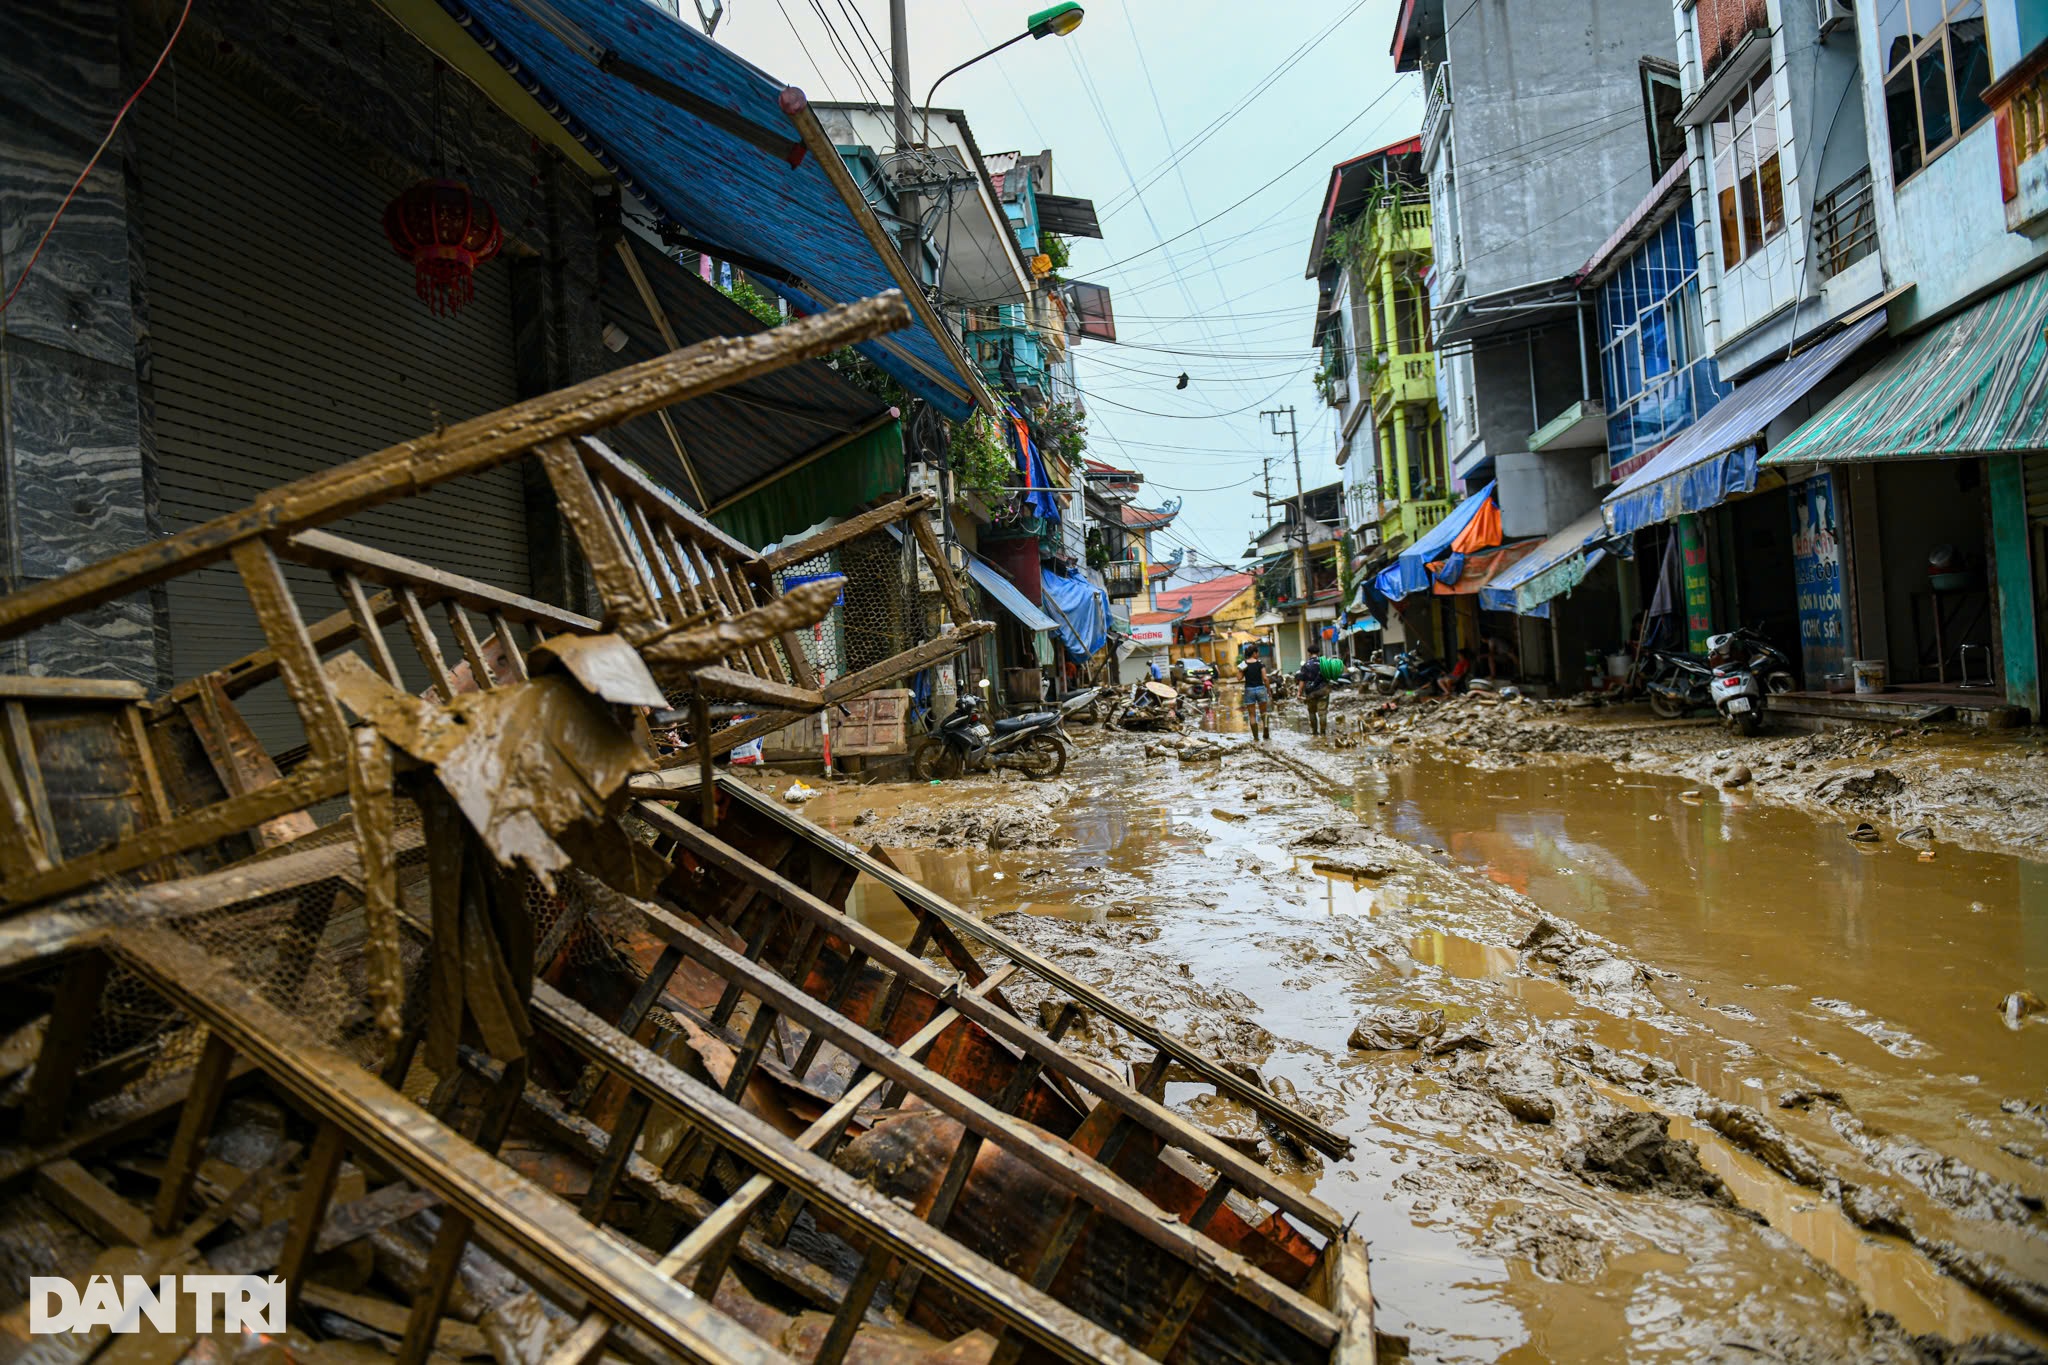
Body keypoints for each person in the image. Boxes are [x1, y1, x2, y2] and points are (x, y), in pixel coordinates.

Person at [1297, 649, 1332, 736]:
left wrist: (1299, 692)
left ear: (1309, 653)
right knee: (1322, 712)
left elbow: (1302, 680)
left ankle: (1315, 732)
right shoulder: (1324, 664)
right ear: (1318, 653)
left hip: (1310, 692)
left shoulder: (1306, 665)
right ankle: (1323, 733)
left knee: (1312, 712)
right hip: (1323, 691)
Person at [1240, 648, 1272, 740]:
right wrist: (1269, 690)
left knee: (1252, 715)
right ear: (1254, 653)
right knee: (1264, 712)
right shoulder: (1260, 663)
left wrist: (1241, 668)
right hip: (1261, 689)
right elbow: (1265, 678)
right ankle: (1266, 728)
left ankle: (1256, 737)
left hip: (1249, 690)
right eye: (1257, 653)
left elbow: (1239, 677)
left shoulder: (1244, 664)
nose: (1258, 654)